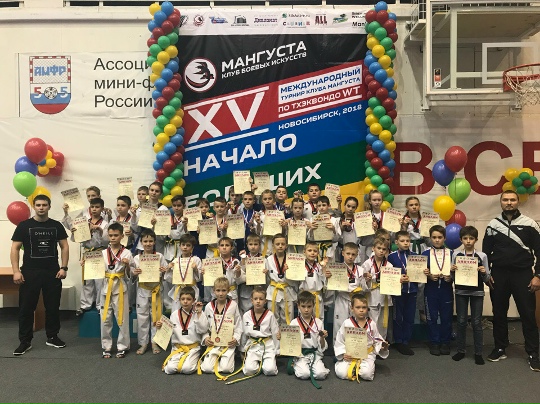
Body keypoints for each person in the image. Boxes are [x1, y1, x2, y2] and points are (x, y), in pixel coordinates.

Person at [483, 190, 540, 371]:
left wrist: (538, 275)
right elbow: (485, 254)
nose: (509, 203)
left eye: (512, 200)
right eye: (505, 200)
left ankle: (533, 353)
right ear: (501, 202)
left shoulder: (530, 224)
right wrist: (487, 274)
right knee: (499, 313)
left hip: (523, 274)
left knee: (528, 314)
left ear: (518, 202)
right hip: (498, 275)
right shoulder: (493, 225)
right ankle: (500, 348)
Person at [11, 195, 69, 356]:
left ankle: (52, 336)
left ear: (49, 206)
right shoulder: (24, 226)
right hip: (29, 272)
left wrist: (64, 267)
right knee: (26, 307)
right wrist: (16, 271)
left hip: (52, 272)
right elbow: (15, 248)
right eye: (38, 205)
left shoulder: (56, 226)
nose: (41, 207)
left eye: (44, 205)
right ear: (34, 206)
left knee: (53, 307)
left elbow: (64, 246)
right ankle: (25, 341)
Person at [63, 197, 109, 316]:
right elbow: (77, 239)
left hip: (99, 253)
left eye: (97, 207)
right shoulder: (84, 222)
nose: (94, 209)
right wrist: (75, 232)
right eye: (92, 207)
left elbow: (107, 241)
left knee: (100, 281)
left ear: (102, 209)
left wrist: (100, 230)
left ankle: (100, 305)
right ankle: (85, 305)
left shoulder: (105, 224)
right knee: (87, 281)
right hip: (88, 254)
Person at [451, 226, 490, 365]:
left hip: (477, 292)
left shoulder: (482, 256)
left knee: (476, 322)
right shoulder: (456, 255)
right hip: (461, 291)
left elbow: (487, 278)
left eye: (471, 238)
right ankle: (461, 350)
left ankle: (478, 353)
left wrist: (484, 272)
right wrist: (452, 271)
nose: (468, 241)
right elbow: (452, 278)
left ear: (476, 240)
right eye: (465, 238)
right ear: (461, 240)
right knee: (461, 321)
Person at [226, 286, 280, 383]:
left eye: (261, 299)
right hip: (252, 344)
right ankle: (260, 362)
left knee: (270, 370)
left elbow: (275, 333)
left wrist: (277, 351)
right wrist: (242, 350)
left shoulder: (270, 315)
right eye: (255, 299)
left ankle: (267, 362)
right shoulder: (246, 315)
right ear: (251, 300)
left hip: (267, 344)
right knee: (249, 370)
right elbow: (243, 333)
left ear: (265, 301)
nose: (258, 301)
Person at [99, 222, 135, 358]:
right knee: (105, 318)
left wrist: (127, 265)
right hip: (106, 287)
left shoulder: (127, 253)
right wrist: (87, 265)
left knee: (122, 318)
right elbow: (96, 270)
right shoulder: (103, 253)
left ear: (121, 236)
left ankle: (123, 346)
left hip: (120, 287)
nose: (113, 238)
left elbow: (131, 274)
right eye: (111, 235)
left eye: (116, 235)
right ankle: (106, 346)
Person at [334, 293, 389, 381]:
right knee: (341, 373)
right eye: (358, 307)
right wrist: (343, 354)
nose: (361, 310)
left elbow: (377, 339)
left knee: (367, 374)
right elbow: (340, 340)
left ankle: (362, 367)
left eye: (364, 307)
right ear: (352, 308)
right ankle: (354, 367)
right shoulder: (347, 323)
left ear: (367, 309)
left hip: (367, 355)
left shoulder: (371, 324)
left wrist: (383, 347)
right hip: (350, 355)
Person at [132, 229, 168, 355]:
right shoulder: (137, 258)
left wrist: (164, 271)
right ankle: (143, 343)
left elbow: (166, 274)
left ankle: (155, 342)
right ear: (141, 242)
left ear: (154, 242)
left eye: (150, 241)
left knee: (156, 317)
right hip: (142, 290)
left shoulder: (160, 256)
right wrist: (135, 273)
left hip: (156, 290)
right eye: (145, 241)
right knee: (142, 317)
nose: (148, 244)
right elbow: (132, 275)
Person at [199, 277, 243, 377]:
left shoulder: (233, 305)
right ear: (213, 291)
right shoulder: (209, 306)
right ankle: (213, 360)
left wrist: (236, 338)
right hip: (213, 343)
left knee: (227, 369)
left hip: (228, 343)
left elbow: (238, 325)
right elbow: (204, 326)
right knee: (207, 369)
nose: (221, 293)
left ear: (228, 290)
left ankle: (223, 360)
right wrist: (205, 338)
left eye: (223, 290)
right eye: (218, 290)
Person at [159, 286, 208, 375]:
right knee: (170, 369)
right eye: (183, 299)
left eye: (188, 299)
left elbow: (203, 330)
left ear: (194, 300)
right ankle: (185, 361)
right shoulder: (174, 315)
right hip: (178, 348)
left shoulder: (198, 313)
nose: (185, 301)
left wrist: (199, 313)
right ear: (179, 300)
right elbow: (169, 332)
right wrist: (161, 327)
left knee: (186, 369)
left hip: (193, 348)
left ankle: (198, 361)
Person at [422, 225, 453, 356]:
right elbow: (418, 274)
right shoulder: (425, 254)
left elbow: (458, 273)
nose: (437, 240)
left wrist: (451, 277)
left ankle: (445, 342)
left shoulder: (451, 253)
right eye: (434, 237)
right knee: (432, 317)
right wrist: (428, 275)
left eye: (440, 237)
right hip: (431, 290)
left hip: (446, 290)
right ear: (430, 238)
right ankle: (434, 342)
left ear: (444, 238)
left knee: (446, 317)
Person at [288, 291, 329, 388]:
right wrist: (281, 338)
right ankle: (299, 365)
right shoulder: (294, 323)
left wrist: (322, 338)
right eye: (303, 306)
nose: (306, 310)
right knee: (304, 374)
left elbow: (322, 346)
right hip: (300, 355)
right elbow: (290, 343)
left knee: (321, 374)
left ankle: (311, 366)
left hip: (315, 353)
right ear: (298, 306)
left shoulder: (318, 322)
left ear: (313, 305)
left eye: (309, 306)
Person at [387, 231, 418, 355]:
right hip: (398, 292)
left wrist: (424, 272)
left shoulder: (416, 256)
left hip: (412, 290)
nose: (405, 243)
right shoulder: (391, 257)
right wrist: (398, 278)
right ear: (396, 242)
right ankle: (398, 341)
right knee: (398, 317)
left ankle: (406, 341)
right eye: (402, 241)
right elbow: (388, 274)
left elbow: (420, 273)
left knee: (409, 317)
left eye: (408, 241)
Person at [331, 242, 366, 343]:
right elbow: (331, 286)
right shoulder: (336, 269)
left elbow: (364, 288)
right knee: (339, 324)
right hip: (342, 298)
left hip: (356, 301)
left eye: (353, 254)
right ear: (343, 253)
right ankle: (338, 349)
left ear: (357, 255)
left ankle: (354, 347)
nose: (350, 257)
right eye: (348, 254)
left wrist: (366, 280)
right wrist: (329, 277)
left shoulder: (360, 270)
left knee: (355, 324)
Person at [362, 237, 392, 340]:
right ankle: (370, 345)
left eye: (384, 249)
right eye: (379, 248)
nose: (381, 251)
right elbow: (361, 282)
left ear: (387, 251)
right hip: (371, 296)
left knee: (382, 323)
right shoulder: (367, 264)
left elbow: (392, 283)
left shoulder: (389, 265)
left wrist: (398, 281)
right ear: (373, 248)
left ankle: (381, 345)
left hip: (384, 296)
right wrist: (366, 279)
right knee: (371, 322)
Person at [264, 234, 298, 326]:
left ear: (286, 245)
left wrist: (288, 272)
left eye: (283, 244)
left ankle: (287, 335)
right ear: (273, 245)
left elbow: (295, 278)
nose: (280, 246)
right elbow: (267, 280)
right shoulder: (268, 260)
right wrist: (265, 274)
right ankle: (274, 335)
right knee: (272, 317)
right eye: (277, 244)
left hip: (287, 290)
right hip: (273, 291)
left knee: (288, 317)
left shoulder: (291, 259)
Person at [164, 234, 202, 310]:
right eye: (183, 245)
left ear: (192, 247)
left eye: (188, 245)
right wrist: (168, 269)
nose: (185, 247)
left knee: (192, 310)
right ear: (179, 246)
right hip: (179, 289)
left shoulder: (196, 259)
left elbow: (199, 278)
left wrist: (196, 269)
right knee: (176, 310)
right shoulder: (175, 261)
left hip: (191, 288)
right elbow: (170, 279)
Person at [300, 241, 329, 321]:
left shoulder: (320, 266)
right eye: (309, 250)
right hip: (304, 297)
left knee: (318, 319)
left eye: (315, 251)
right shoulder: (299, 265)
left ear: (318, 253)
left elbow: (325, 283)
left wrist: (324, 269)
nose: (312, 253)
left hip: (317, 297)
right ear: (304, 252)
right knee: (304, 319)